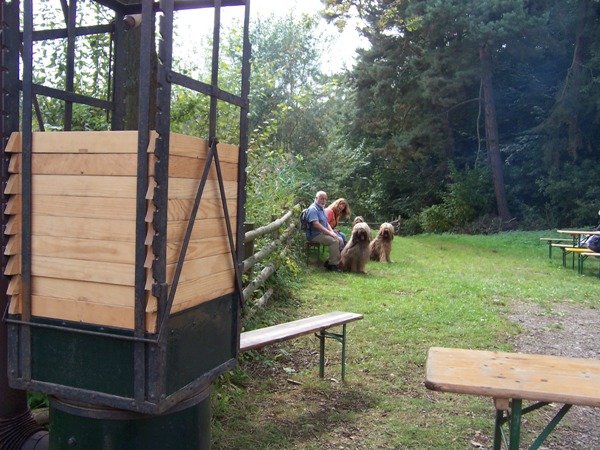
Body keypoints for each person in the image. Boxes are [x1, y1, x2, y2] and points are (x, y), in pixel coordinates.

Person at [305, 191, 344, 272]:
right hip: (314, 235)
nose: (324, 201)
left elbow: (326, 223)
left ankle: (330, 262)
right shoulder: (313, 209)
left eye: (325, 199)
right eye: (322, 199)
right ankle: (332, 265)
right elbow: (316, 225)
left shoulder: (322, 209)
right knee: (334, 241)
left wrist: (332, 232)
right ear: (316, 198)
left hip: (322, 233)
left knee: (340, 239)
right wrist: (330, 233)